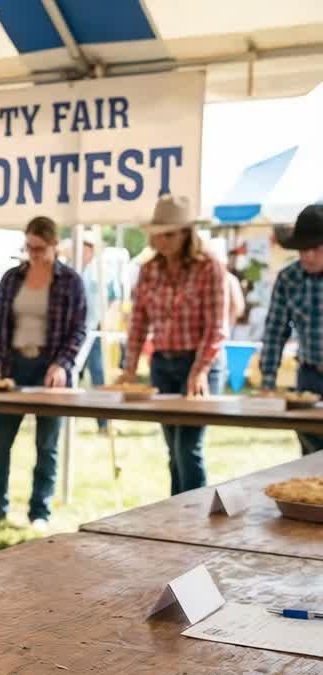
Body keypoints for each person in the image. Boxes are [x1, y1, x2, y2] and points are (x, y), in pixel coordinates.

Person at [118, 196, 228, 496]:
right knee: (172, 448)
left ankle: (191, 518)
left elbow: (216, 327)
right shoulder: (148, 270)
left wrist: (200, 369)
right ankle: (178, 513)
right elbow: (138, 321)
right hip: (162, 365)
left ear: (186, 234)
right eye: (158, 233)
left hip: (199, 362)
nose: (162, 241)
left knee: (187, 447)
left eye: (169, 234)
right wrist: (129, 367)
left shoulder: (209, 268)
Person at [0, 217, 87, 529]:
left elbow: (79, 330)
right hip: (13, 366)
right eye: (29, 247)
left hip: (49, 367)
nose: (34, 253)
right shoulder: (12, 278)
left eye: (40, 248)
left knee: (47, 444)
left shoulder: (70, 281)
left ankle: (39, 511)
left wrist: (61, 364)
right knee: (0, 441)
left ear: (55, 245)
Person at [260, 205, 323, 454]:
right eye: (301, 250)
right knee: (310, 453)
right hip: (309, 377)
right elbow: (275, 331)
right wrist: (267, 380)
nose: (307, 256)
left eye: (315, 249)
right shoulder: (288, 278)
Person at [78, 235, 120, 432]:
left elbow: (115, 298)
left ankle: (103, 422)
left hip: (96, 330)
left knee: (99, 376)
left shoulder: (103, 271)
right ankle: (66, 420)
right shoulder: (73, 267)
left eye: (86, 247)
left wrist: (109, 321)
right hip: (76, 332)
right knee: (71, 375)